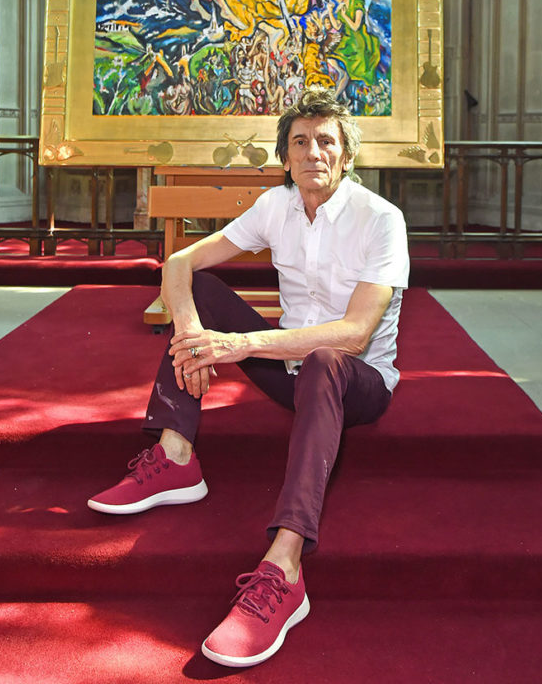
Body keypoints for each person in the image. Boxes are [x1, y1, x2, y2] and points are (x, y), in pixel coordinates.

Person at [88, 88, 409, 668]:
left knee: (324, 359)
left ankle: (284, 568)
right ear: (284, 157)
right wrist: (193, 336)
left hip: (356, 381)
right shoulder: (275, 206)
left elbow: (355, 334)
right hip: (290, 371)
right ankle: (176, 456)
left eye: (326, 141)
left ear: (346, 155)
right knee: (201, 291)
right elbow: (180, 264)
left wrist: (237, 345)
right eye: (300, 142)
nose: (313, 152)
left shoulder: (380, 219)